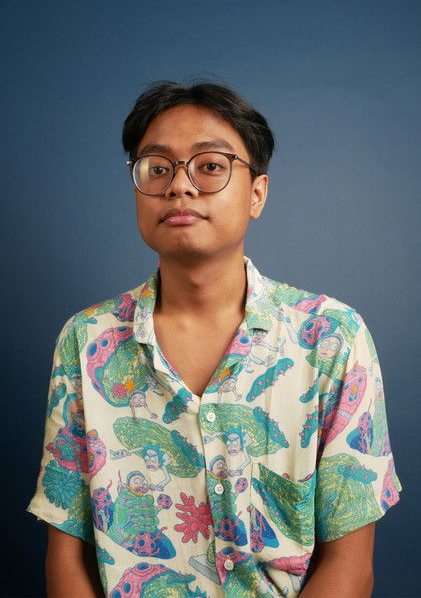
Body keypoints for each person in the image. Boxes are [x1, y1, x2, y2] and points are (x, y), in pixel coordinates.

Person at [27, 81, 402, 598]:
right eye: (157, 168)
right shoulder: (87, 341)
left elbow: (351, 565)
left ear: (257, 193)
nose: (179, 186)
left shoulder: (332, 339)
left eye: (209, 166)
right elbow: (65, 559)